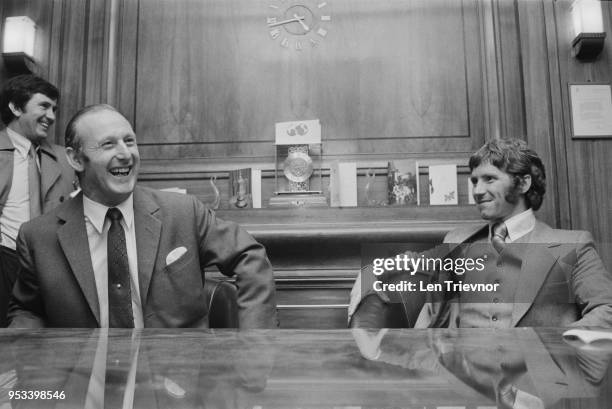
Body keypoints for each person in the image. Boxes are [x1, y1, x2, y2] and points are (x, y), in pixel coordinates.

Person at [8, 104, 277, 328]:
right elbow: (28, 311)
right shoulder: (38, 237)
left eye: (129, 141)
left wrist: (255, 346)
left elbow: (249, 256)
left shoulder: (184, 212)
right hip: (82, 382)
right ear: (76, 159)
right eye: (108, 145)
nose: (125, 155)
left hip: (177, 379)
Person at [350, 138, 612, 328]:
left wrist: (563, 346)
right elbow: (414, 264)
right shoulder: (457, 242)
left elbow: (606, 308)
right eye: (474, 180)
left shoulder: (572, 245)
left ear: (523, 183)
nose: (476, 190)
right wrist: (371, 273)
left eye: (489, 179)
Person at [0, 75, 75, 327]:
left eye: (54, 109)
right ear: (15, 107)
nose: (51, 116)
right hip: (5, 259)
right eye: (43, 106)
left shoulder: (66, 159)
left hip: (50, 263)